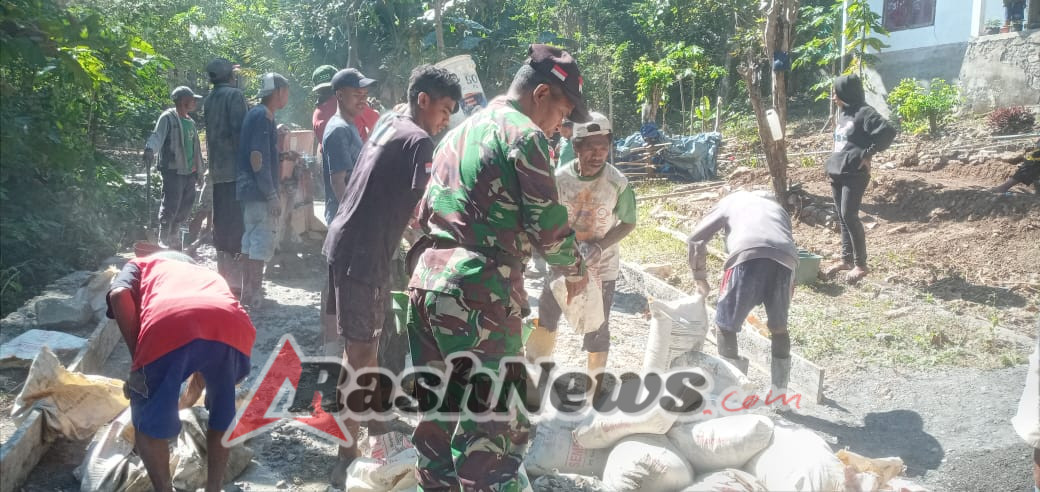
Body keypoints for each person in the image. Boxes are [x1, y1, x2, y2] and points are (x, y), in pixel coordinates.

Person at [406, 44, 590, 490]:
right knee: (489, 428)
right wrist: (576, 269)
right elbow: (548, 227)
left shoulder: (457, 134)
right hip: (478, 296)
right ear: (541, 93)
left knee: (439, 418)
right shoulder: (523, 136)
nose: (560, 127)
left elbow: (420, 215)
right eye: (562, 113)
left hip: (427, 287)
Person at [323, 64, 462, 485]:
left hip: (345, 244)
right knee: (363, 356)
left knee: (357, 351)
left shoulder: (390, 121)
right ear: (423, 100)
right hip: (364, 257)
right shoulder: (418, 142)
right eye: (444, 109)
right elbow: (428, 209)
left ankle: (356, 442)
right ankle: (362, 446)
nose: (446, 119)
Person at [106, 251, 255, 492]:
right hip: (233, 326)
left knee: (147, 423)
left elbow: (119, 294)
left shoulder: (141, 263)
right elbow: (200, 360)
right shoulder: (204, 273)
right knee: (223, 412)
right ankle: (214, 488)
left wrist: (139, 364)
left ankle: (164, 489)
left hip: (170, 322)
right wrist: (182, 404)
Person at [530, 112, 637, 397]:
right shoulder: (560, 180)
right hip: (564, 261)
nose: (597, 154)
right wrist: (561, 253)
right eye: (590, 147)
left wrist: (601, 245)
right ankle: (537, 373)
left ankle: (594, 387)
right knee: (546, 314)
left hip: (602, 266)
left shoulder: (618, 183)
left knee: (598, 326)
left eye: (603, 147)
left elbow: (628, 222)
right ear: (576, 147)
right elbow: (547, 219)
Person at [687, 190, 799, 394]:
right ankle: (779, 396)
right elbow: (784, 239)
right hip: (786, 261)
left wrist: (699, 277)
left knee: (726, 325)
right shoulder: (778, 209)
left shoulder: (731, 201)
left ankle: (730, 393)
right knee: (779, 328)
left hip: (747, 256)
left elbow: (696, 239)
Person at [823, 74, 895, 284]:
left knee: (850, 215)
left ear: (846, 92)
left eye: (836, 92)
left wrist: (868, 153)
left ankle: (860, 265)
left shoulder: (865, 112)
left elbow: (888, 131)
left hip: (854, 175)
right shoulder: (844, 113)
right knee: (842, 217)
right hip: (837, 172)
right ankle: (846, 259)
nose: (833, 97)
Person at [236, 72, 289, 308]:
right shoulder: (263, 117)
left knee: (250, 241)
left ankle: (247, 292)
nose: (287, 96)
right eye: (285, 91)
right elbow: (257, 158)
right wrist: (271, 194)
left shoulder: (256, 115)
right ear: (278, 92)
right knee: (261, 241)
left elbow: (262, 154)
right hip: (259, 192)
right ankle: (255, 294)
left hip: (248, 190)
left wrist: (282, 155)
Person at [203, 58, 249, 295]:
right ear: (230, 76)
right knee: (237, 225)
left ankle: (223, 277)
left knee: (221, 223)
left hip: (218, 171)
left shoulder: (209, 99)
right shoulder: (235, 96)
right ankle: (236, 283)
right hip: (235, 172)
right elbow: (241, 134)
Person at [144, 86, 204, 250]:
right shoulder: (168, 118)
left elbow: (196, 149)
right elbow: (158, 135)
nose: (194, 102)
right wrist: (150, 149)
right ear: (183, 100)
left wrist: (199, 171)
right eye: (192, 99)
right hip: (173, 169)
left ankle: (174, 233)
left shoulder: (190, 122)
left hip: (189, 171)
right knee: (171, 202)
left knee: (186, 204)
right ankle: (164, 235)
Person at [321, 68, 375, 225]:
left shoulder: (348, 125)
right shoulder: (339, 129)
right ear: (339, 96)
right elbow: (338, 181)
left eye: (365, 95)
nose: (363, 100)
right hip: (345, 220)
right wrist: (353, 217)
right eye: (357, 95)